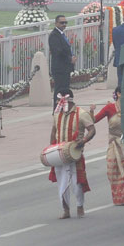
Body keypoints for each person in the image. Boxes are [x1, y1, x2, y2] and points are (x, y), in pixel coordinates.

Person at [48, 89, 95, 218]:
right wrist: (50, 148)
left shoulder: (81, 113)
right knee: (62, 183)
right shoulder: (57, 113)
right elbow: (53, 131)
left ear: (68, 101)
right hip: (59, 155)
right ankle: (66, 210)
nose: (59, 104)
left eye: (60, 101)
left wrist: (84, 140)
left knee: (76, 183)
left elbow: (92, 129)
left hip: (74, 154)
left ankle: (80, 205)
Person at [90, 87, 124, 205]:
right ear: (118, 94)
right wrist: (92, 110)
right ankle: (120, 198)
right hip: (114, 143)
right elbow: (94, 120)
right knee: (112, 168)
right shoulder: (109, 108)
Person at [49, 15, 76, 107]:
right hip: (59, 68)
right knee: (59, 91)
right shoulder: (54, 35)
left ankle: (64, 109)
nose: (64, 24)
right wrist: (69, 59)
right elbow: (58, 51)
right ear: (56, 23)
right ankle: (57, 110)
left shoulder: (61, 34)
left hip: (65, 68)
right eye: (61, 23)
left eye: (65, 23)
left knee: (65, 91)